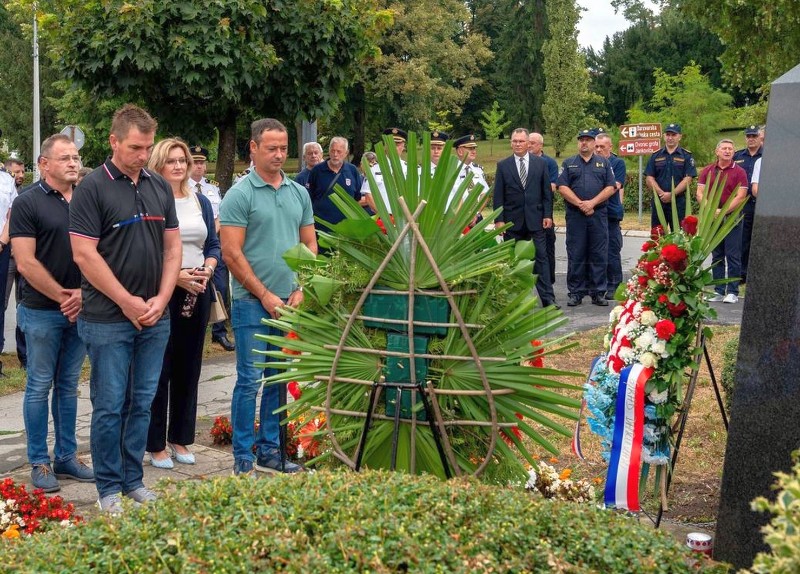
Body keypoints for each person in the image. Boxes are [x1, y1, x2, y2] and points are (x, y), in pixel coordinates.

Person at [69, 104, 181, 513]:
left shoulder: (158, 186)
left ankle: (133, 480)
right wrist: (127, 301)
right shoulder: (92, 188)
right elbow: (84, 255)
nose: (142, 155)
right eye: (136, 147)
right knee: (110, 404)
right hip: (108, 320)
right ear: (114, 141)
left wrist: (162, 299)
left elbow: (172, 249)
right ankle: (108, 489)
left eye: (148, 147)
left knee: (143, 401)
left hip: (155, 317)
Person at [219, 118, 317, 476]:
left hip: (290, 303)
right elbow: (231, 253)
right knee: (250, 380)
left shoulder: (298, 193)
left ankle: (272, 451)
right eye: (271, 148)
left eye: (283, 148)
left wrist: (302, 287)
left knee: (277, 379)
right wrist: (264, 294)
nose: (279, 155)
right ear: (254, 148)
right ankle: (243, 456)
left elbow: (310, 245)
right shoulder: (240, 194)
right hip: (250, 302)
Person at [10, 134, 94, 493]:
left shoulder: (89, 200)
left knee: (69, 386)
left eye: (76, 157)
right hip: (42, 310)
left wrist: (83, 295)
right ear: (44, 164)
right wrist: (64, 296)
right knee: (38, 385)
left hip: (82, 309)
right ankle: (39, 462)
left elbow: (100, 251)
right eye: (65, 158)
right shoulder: (28, 202)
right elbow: (25, 262)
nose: (73, 163)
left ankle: (67, 457)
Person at [145, 139, 220, 469]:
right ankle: (155, 443)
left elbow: (214, 244)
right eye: (171, 161)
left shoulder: (200, 201)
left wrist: (209, 266)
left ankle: (180, 438)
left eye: (182, 160)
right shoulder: (150, 199)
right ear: (159, 164)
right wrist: (175, 276)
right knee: (159, 368)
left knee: (190, 367)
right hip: (164, 289)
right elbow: (145, 250)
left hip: (198, 289)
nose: (178, 166)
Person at [493, 128, 556, 308]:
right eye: (515, 141)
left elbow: (546, 193)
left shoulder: (540, 164)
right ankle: (515, 301)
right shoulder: (503, 165)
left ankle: (548, 299)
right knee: (513, 261)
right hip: (512, 222)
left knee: (541, 259)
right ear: (511, 143)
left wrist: (547, 215)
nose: (518, 144)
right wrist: (499, 220)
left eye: (521, 141)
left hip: (536, 220)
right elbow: (499, 195)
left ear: (528, 143)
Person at [557, 129, 615, 307]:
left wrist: (592, 203)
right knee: (576, 253)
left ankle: (598, 292)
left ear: (593, 143)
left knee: (598, 253)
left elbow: (611, 187)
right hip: (576, 216)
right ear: (578, 143)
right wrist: (580, 203)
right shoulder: (568, 163)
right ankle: (576, 292)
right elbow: (562, 186)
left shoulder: (604, 163)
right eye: (581, 140)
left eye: (588, 140)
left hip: (598, 215)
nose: (584, 143)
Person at [188, 145, 234, 352]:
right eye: (195, 162)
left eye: (202, 162)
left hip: (213, 244)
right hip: (193, 247)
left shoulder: (212, 188)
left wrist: (212, 230)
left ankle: (219, 332)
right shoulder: (182, 188)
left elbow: (220, 215)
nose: (199, 166)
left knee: (221, 288)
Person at [696, 139, 749, 304]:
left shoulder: (739, 172)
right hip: (712, 219)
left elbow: (741, 196)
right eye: (724, 148)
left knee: (733, 255)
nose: (727, 151)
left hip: (732, 218)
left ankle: (732, 291)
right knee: (717, 254)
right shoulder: (708, 171)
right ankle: (718, 290)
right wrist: (712, 210)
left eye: (730, 149)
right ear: (717, 151)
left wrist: (723, 211)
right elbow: (700, 193)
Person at [645, 123, 696, 229]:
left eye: (673, 135)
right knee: (657, 236)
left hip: (678, 202)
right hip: (659, 202)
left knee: (678, 237)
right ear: (664, 136)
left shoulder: (686, 156)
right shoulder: (655, 155)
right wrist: (661, 194)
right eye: (668, 134)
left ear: (680, 137)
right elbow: (649, 178)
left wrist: (672, 194)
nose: (670, 138)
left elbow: (688, 179)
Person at [595, 132, 627, 299]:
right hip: (594, 214)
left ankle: (614, 284)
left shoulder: (617, 163)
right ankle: (596, 284)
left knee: (611, 251)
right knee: (594, 251)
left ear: (610, 147)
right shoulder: (589, 163)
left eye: (602, 147)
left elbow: (615, 185)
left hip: (610, 213)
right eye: (597, 147)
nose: (599, 150)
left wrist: (593, 193)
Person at [307, 137, 363, 232]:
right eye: (332, 151)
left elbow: (357, 198)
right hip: (322, 228)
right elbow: (308, 197)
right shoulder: (317, 170)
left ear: (346, 153)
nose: (335, 155)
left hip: (347, 229)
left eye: (339, 151)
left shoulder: (352, 171)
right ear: (329, 151)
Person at [528, 132, 559, 289]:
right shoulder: (522, 162)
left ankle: (549, 281)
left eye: (532, 143)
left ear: (540, 145)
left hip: (544, 213)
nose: (529, 145)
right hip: (526, 214)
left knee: (547, 250)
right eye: (528, 142)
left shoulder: (549, 163)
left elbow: (552, 187)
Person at [733, 125, 763, 284]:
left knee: (761, 238)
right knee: (743, 239)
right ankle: (742, 273)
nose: (751, 139)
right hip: (743, 204)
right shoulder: (738, 156)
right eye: (749, 136)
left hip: (762, 203)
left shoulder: (767, 155)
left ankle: (757, 273)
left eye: (754, 136)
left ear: (760, 137)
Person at [360, 128, 408, 214]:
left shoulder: (411, 170)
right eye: (390, 144)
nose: (393, 148)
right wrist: (385, 216)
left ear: (403, 146)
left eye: (397, 144)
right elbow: (368, 195)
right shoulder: (373, 169)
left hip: (407, 218)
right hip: (383, 220)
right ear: (385, 145)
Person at [450, 134, 488, 212]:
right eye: (470, 149)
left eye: (474, 148)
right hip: (457, 219)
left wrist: (476, 213)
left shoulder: (478, 169)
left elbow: (484, 194)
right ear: (460, 151)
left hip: (476, 217)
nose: (474, 151)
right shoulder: (451, 170)